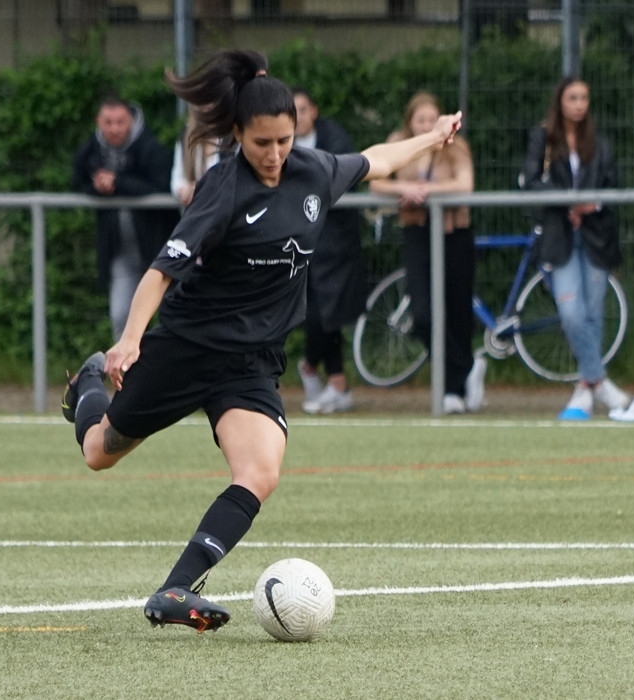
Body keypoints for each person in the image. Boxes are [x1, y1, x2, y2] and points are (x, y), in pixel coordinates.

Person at [60, 49, 461, 633]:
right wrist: (129, 341)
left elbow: (376, 158)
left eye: (283, 141)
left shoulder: (314, 171)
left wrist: (433, 137)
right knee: (99, 452)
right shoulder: (223, 188)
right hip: (189, 346)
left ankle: (175, 589)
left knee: (260, 471)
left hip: (251, 361)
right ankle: (89, 386)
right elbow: (161, 271)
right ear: (238, 135)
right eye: (261, 143)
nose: (274, 155)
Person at [368, 91, 485, 414]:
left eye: (431, 119)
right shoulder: (398, 144)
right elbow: (376, 182)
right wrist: (403, 189)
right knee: (422, 313)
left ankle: (454, 388)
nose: (426, 125)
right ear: (410, 122)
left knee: (457, 311)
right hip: (418, 232)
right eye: (420, 120)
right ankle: (463, 370)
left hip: (454, 233)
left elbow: (465, 184)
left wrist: (427, 191)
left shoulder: (456, 147)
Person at [520, 76, 629, 420]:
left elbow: (613, 184)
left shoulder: (600, 143)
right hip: (560, 234)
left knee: (593, 313)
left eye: (584, 98)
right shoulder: (543, 138)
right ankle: (599, 382)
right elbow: (530, 181)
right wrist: (567, 202)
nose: (579, 104)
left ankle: (585, 388)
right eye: (573, 98)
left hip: (596, 235)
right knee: (571, 313)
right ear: (560, 101)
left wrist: (590, 204)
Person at [71, 95, 178, 341]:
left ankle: (167, 364)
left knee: (170, 318)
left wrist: (119, 183)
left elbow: (163, 185)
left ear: (131, 120)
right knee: (121, 316)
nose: (114, 129)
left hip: (158, 251)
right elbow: (76, 183)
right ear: (99, 122)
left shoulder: (150, 147)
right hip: (121, 253)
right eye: (108, 122)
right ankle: (127, 365)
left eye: (120, 122)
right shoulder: (90, 150)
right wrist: (97, 187)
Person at [290, 87, 367, 414]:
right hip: (298, 242)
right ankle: (336, 382)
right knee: (314, 314)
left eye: (302, 109)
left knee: (328, 314)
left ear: (314, 111)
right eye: (292, 111)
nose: (298, 117)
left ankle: (314, 369)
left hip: (336, 243)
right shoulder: (278, 142)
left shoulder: (334, 138)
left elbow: (334, 178)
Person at [170, 109, 228, 208]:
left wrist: (200, 189)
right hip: (196, 210)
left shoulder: (231, 137)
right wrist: (186, 190)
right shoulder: (186, 135)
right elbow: (177, 180)